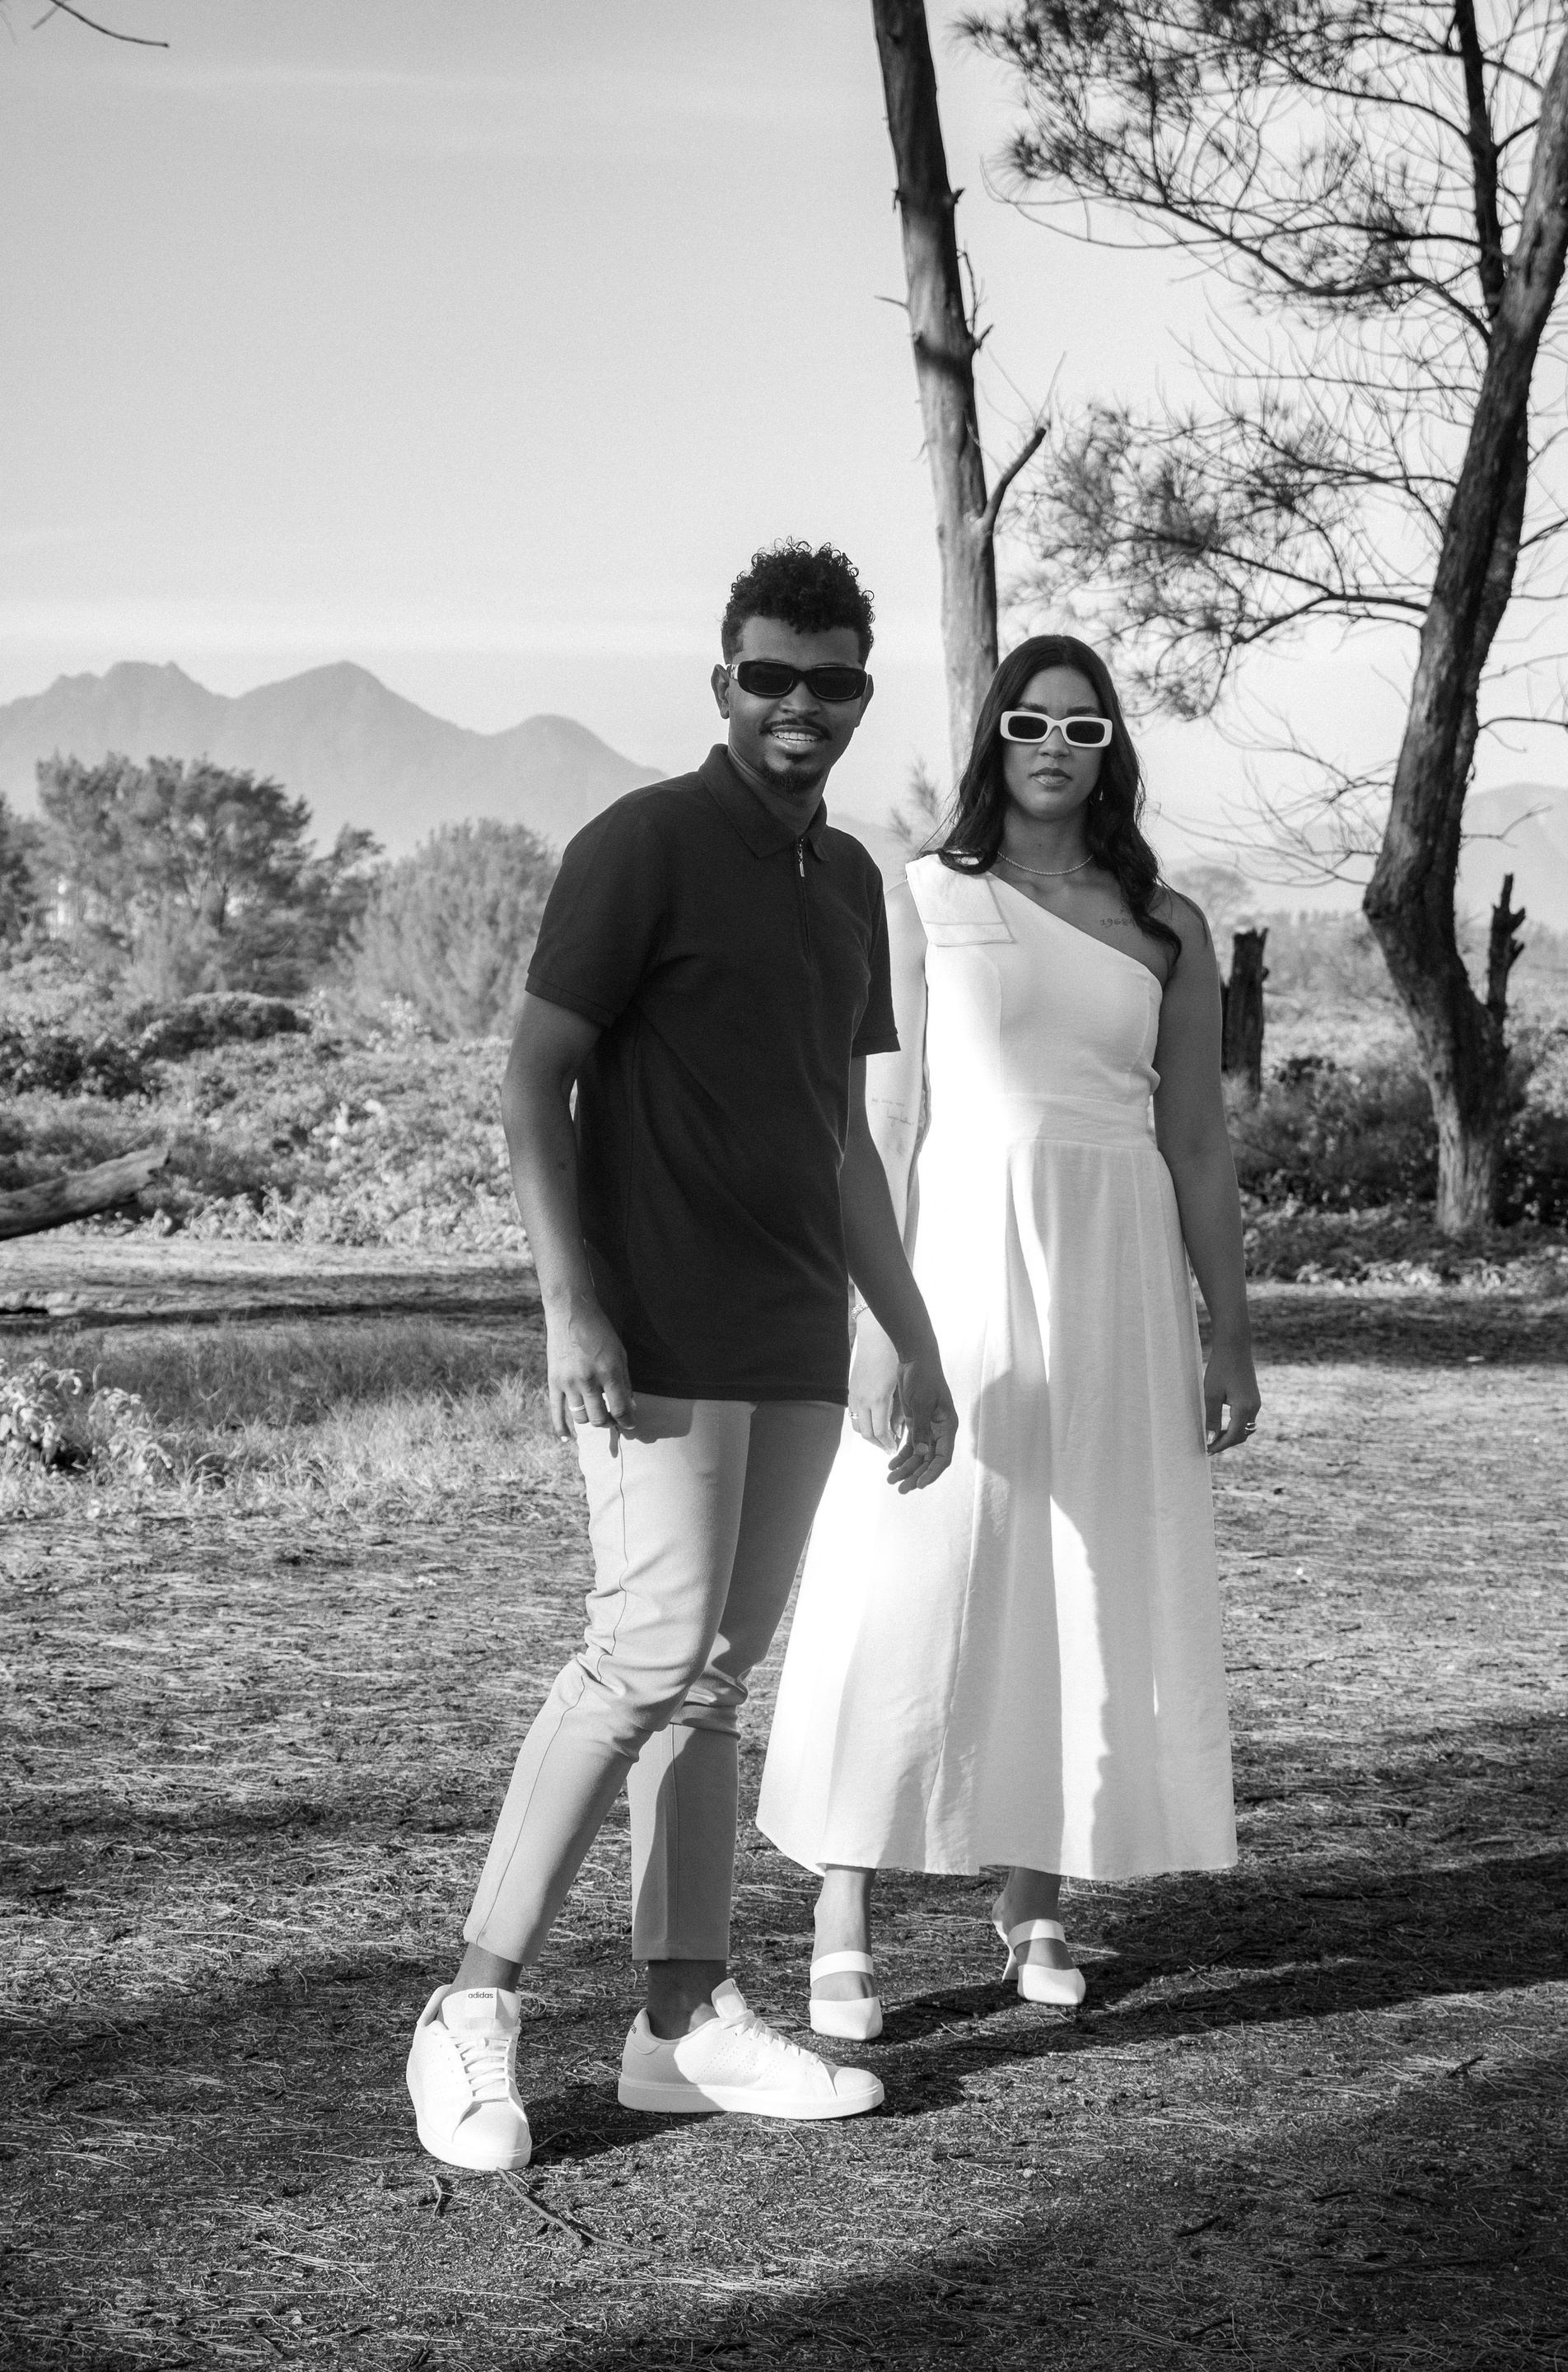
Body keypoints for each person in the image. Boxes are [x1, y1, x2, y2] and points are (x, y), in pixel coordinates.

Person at [404, 541, 958, 2171]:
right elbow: (535, 1082)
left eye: (831, 681)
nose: (800, 704)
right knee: (642, 1655)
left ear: (861, 694)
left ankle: (682, 2024)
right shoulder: (641, 843)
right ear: (722, 683)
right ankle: (470, 2006)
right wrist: (569, 1302)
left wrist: (911, 1333)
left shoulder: (848, 880)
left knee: (712, 1679)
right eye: (769, 675)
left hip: (792, 1339)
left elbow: (844, 1146)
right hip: (652, 1324)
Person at [757, 633, 1259, 2038]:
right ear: (995, 737)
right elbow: (889, 1125)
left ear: (1111, 751)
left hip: (1118, 1268)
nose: (1055, 746)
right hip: (960, 1258)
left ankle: (1034, 1892)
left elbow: (1198, 1141)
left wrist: (1228, 1332)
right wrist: (880, 1322)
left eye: (1084, 728)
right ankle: (842, 1903)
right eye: (1031, 722)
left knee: (1079, 1575)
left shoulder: (1169, 926)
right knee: (909, 1563)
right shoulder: (925, 898)